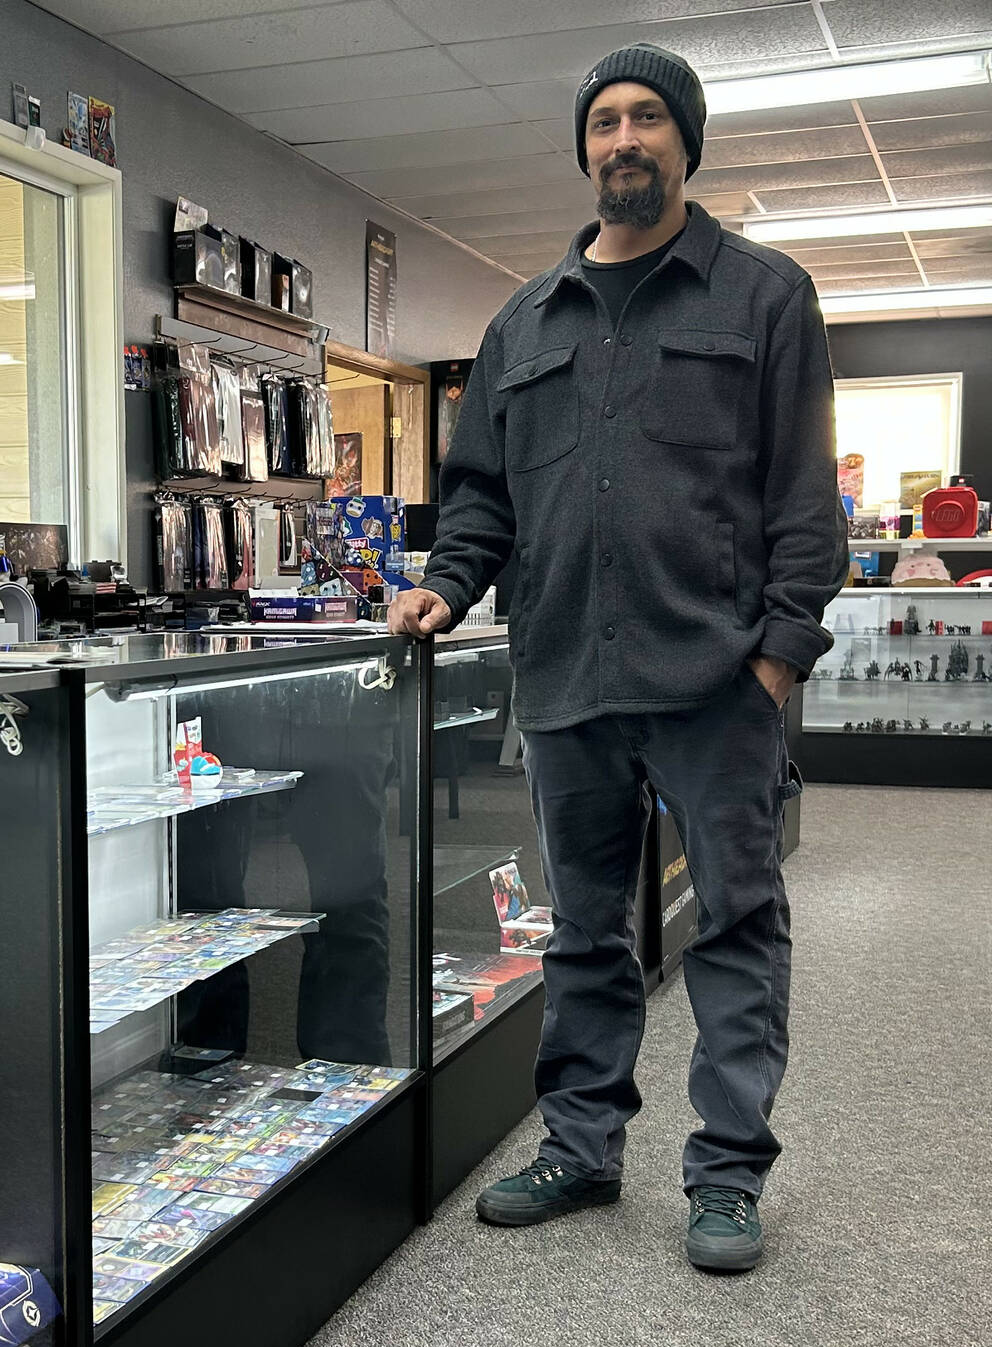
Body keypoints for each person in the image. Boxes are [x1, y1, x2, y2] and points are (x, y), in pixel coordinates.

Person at [388, 42, 847, 1273]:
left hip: (713, 685)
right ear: (583, 151)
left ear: (683, 142)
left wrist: (774, 663)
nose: (623, 139)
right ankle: (581, 1148)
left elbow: (804, 503)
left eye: (647, 118)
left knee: (733, 927)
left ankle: (725, 1177)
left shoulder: (762, 296)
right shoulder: (521, 322)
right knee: (583, 933)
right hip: (565, 686)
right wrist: (442, 590)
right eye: (603, 122)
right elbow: (479, 497)